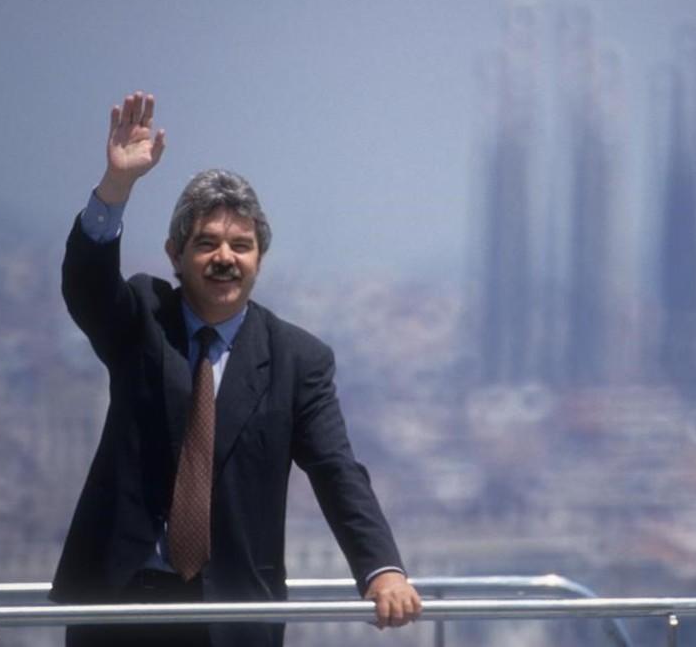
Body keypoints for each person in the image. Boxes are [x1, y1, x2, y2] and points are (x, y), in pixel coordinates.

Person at [51, 91, 422, 647]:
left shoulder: (298, 359)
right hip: (122, 604)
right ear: (175, 255)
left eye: (241, 245)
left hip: (233, 613)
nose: (225, 257)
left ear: (259, 260)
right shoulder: (142, 319)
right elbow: (87, 287)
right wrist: (116, 187)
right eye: (207, 244)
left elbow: (336, 469)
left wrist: (381, 569)